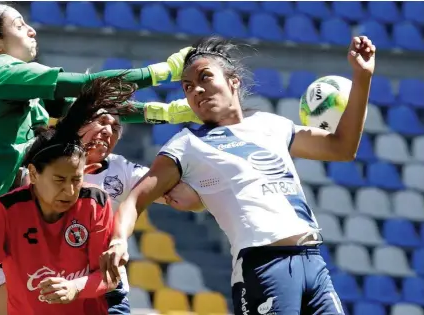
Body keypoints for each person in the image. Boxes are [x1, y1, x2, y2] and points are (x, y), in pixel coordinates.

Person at [0, 2, 199, 314]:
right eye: (19, 25)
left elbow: (87, 108)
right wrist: (161, 72)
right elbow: (88, 86)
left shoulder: (15, 89)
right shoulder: (6, 72)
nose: (32, 30)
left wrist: (163, 112)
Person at [100, 35, 376, 315]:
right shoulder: (186, 145)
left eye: (205, 78)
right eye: (187, 87)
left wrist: (362, 76)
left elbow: (342, 147)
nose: (196, 90)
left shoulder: (271, 125)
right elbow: (135, 200)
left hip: (313, 261)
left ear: (234, 81)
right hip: (263, 268)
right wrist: (119, 240)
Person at [0, 75, 136, 315]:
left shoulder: (95, 202)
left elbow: (108, 277)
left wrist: (74, 287)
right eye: (59, 180)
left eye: (76, 179)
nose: (70, 190)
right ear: (33, 173)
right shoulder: (8, 210)